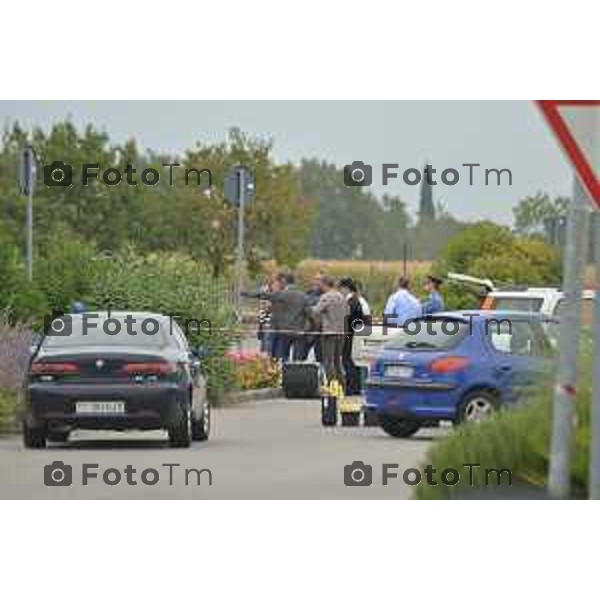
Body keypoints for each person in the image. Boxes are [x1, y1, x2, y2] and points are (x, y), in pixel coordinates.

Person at [242, 272, 309, 362]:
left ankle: (274, 371)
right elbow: (310, 312)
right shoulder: (303, 295)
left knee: (277, 354)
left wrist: (245, 293)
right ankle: (290, 373)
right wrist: (307, 328)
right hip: (297, 331)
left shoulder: (283, 294)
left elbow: (264, 296)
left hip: (283, 330)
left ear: (284, 281)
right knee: (293, 359)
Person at [311, 275, 348, 388]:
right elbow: (347, 312)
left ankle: (332, 386)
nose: (320, 286)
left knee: (329, 361)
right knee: (338, 361)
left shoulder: (326, 297)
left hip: (329, 333)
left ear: (326, 284)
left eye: (321, 284)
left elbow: (316, 311)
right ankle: (342, 385)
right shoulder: (342, 297)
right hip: (341, 332)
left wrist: (307, 308)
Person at [338, 277, 363, 396]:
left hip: (349, 336)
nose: (340, 292)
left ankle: (351, 388)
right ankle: (355, 387)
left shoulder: (351, 302)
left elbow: (347, 320)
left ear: (346, 288)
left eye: (341, 289)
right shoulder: (356, 301)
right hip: (355, 335)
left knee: (348, 362)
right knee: (353, 362)